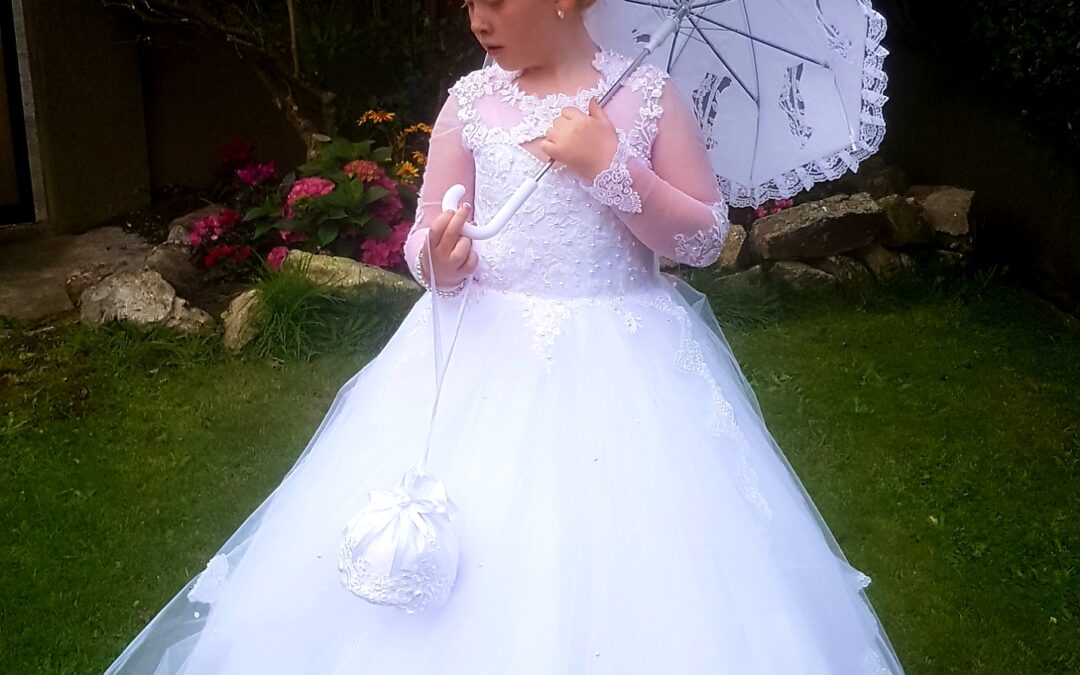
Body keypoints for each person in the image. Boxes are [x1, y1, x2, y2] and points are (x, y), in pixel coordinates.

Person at [103, 0, 907, 672]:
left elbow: (699, 237)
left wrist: (609, 166)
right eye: (469, 2)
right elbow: (426, 229)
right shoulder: (470, 102)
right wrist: (440, 260)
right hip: (478, 352)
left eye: (494, 0)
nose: (475, 17)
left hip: (624, 365)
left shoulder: (647, 96)